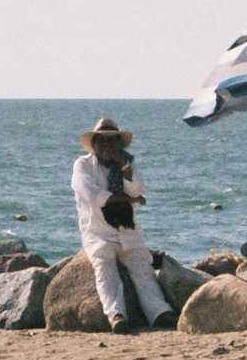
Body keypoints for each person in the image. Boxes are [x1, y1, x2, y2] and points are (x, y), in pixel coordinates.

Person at [71, 117, 176, 331]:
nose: (107, 146)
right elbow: (94, 195)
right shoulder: (83, 165)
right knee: (105, 268)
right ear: (94, 144)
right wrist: (131, 201)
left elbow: (136, 189)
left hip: (127, 230)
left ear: (119, 144)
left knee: (142, 269)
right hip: (98, 231)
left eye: (112, 141)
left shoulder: (128, 164)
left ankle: (160, 313)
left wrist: (125, 168)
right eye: (102, 141)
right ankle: (116, 316)